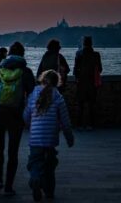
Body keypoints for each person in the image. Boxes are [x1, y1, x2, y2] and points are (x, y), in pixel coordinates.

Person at [0, 42, 36, 196]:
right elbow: (32, 97)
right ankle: (9, 186)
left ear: (8, 53)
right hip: (16, 115)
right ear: (23, 54)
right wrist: (32, 118)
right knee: (13, 152)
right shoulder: (26, 72)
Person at [24, 70, 75, 201]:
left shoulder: (33, 94)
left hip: (35, 139)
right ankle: (49, 192)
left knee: (35, 163)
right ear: (56, 82)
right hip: (51, 139)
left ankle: (35, 179)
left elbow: (26, 116)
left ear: (42, 79)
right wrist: (69, 138)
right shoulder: (58, 97)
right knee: (50, 165)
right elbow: (65, 121)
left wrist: (32, 126)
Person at [73, 36, 102, 130]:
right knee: (91, 105)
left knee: (80, 105)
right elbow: (100, 69)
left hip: (81, 83)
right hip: (92, 83)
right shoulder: (96, 55)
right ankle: (91, 124)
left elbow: (75, 70)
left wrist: (77, 78)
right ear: (91, 43)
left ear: (83, 43)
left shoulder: (78, 54)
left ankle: (79, 125)